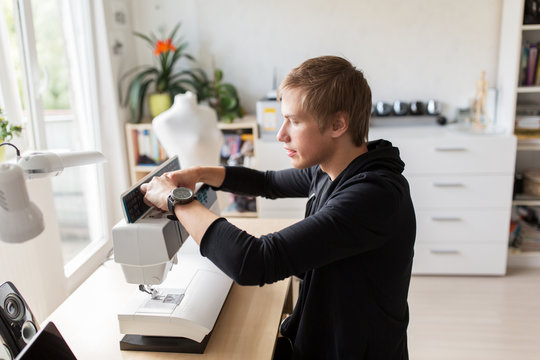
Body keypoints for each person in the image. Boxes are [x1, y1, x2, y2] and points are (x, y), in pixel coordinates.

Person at [140, 55, 416, 360]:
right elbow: (267, 182)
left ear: (338, 124)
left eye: (294, 121)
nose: (281, 134)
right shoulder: (333, 168)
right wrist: (200, 173)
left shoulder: (373, 196)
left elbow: (255, 261)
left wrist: (177, 200)